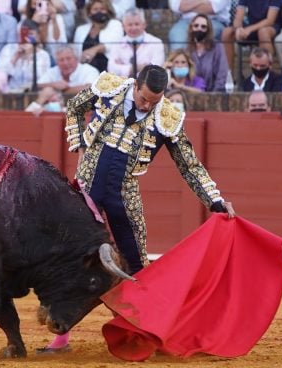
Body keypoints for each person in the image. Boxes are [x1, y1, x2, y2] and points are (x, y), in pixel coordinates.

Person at [40, 64, 235, 354]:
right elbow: (74, 106)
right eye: (144, 99)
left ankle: (144, 333)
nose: (147, 106)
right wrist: (80, 144)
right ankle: (60, 337)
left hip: (124, 195)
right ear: (135, 85)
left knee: (137, 266)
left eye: (153, 102)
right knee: (69, 259)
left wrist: (215, 201)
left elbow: (189, 165)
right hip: (87, 188)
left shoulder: (167, 117)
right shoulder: (110, 88)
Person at [221, 0, 282, 73]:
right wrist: (238, 29)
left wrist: (249, 29)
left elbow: (270, 20)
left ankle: (268, 75)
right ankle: (229, 76)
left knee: (263, 33)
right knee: (227, 33)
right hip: (251, 25)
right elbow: (238, 17)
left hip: (270, 26)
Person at [0, 18, 51, 92]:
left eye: (31, 34)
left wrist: (30, 56)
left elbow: (42, 80)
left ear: (38, 36)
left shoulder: (44, 55)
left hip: (33, 93)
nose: (26, 38)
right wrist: (15, 58)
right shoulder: (8, 49)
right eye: (24, 34)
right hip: (10, 93)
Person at [107, 7, 165, 78]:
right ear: (123, 26)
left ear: (144, 25)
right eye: (130, 25)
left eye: (137, 24)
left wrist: (122, 67)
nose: (133, 28)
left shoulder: (156, 42)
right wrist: (135, 68)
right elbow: (111, 69)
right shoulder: (117, 44)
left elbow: (155, 69)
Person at [72, 0, 124, 73]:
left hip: (107, 69)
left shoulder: (115, 24)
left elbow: (113, 43)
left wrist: (94, 50)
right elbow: (76, 51)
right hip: (85, 71)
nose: (99, 12)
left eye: (102, 9)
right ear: (89, 13)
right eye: (95, 9)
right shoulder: (81, 29)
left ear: (108, 11)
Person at [187, 13, 229, 92]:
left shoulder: (217, 47)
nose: (199, 29)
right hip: (192, 93)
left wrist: (213, 96)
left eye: (203, 27)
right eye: (196, 26)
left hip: (214, 94)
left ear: (208, 30)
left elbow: (222, 74)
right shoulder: (187, 49)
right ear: (191, 28)